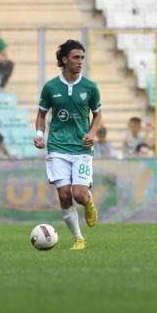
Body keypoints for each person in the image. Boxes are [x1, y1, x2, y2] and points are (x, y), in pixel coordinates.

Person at [34, 39, 102, 250]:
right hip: (58, 147)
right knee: (64, 194)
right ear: (64, 59)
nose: (80, 61)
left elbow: (97, 115)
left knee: (79, 194)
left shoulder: (90, 87)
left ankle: (89, 202)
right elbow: (41, 114)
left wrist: (92, 132)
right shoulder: (51, 87)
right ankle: (79, 238)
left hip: (82, 149)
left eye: (82, 57)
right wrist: (39, 134)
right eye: (75, 57)